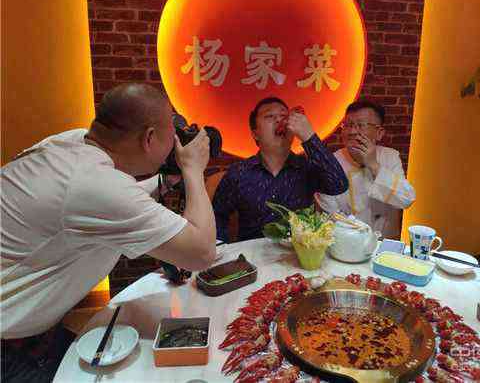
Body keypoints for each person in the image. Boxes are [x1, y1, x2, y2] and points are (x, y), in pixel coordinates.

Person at [0, 84, 216, 382]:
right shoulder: (93, 184)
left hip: (32, 329)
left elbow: (111, 202)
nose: (175, 144)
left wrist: (165, 182)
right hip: (10, 351)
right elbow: (201, 253)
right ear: (149, 138)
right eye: (172, 131)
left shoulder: (71, 144)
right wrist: (193, 170)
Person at [212, 96, 348, 242]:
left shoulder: (306, 168)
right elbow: (218, 215)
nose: (279, 120)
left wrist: (309, 136)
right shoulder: (238, 173)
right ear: (255, 134)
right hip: (252, 253)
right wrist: (222, 248)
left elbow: (338, 185)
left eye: (284, 115)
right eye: (270, 116)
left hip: (296, 252)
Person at [316, 99, 416, 238]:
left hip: (383, 244)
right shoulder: (332, 163)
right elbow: (329, 216)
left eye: (361, 125)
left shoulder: (390, 157)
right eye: (348, 125)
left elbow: (406, 199)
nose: (352, 131)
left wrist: (374, 165)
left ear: (379, 133)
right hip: (345, 243)